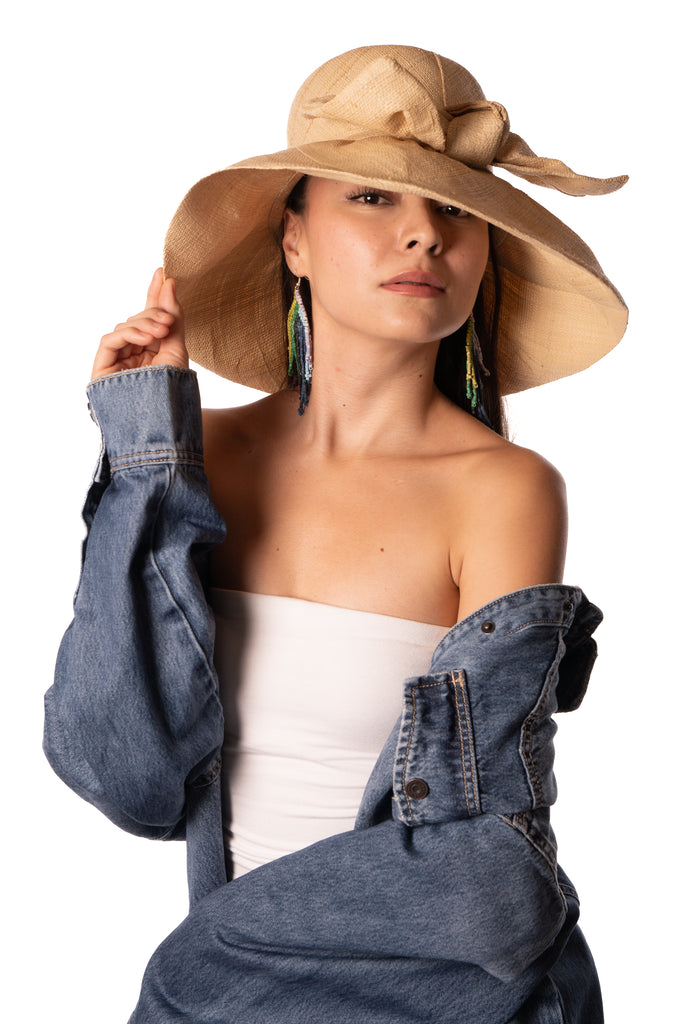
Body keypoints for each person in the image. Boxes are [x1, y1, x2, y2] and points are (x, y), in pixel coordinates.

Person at [44, 45, 627, 1022]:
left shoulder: (501, 490)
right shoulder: (199, 457)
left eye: (454, 210)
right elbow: (125, 771)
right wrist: (144, 445)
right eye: (371, 200)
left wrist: (203, 963)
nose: (422, 238)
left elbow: (480, 869)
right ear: (292, 241)